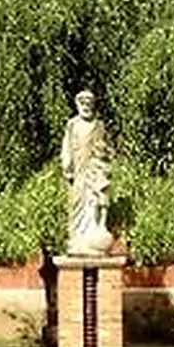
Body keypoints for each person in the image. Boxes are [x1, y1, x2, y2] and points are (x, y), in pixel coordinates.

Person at [59, 90, 113, 255]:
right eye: (82, 103)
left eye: (89, 103)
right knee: (76, 204)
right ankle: (77, 241)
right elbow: (66, 148)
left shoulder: (99, 125)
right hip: (78, 172)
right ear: (77, 105)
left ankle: (93, 239)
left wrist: (103, 160)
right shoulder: (72, 124)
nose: (86, 106)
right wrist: (67, 166)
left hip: (94, 171)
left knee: (94, 203)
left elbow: (107, 149)